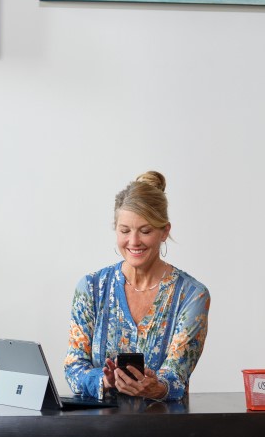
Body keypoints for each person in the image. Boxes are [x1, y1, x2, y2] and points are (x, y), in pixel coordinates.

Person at [64, 170, 209, 401]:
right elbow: (73, 367)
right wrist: (105, 380)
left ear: (165, 231)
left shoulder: (191, 295)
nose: (133, 242)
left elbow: (176, 375)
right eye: (125, 230)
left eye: (145, 231)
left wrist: (158, 387)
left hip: (163, 422)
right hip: (98, 422)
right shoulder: (91, 288)